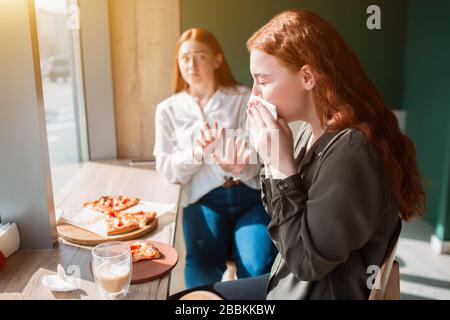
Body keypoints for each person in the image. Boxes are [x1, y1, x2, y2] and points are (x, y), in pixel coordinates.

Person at [169, 9, 425, 300]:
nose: (254, 95)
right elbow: (281, 223)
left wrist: (280, 166)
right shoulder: (304, 131)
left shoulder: (351, 151)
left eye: (263, 80)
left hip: (308, 291)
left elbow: (304, 261)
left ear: (306, 77)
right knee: (188, 299)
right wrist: (267, 159)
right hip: (287, 282)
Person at [153, 28, 277, 289]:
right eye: (185, 58)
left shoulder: (244, 98)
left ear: (217, 60)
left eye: (200, 56)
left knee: (258, 267)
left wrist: (240, 167)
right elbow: (167, 170)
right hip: (203, 200)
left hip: (250, 196)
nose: (191, 64)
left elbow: (263, 157)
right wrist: (196, 154)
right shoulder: (167, 110)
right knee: (200, 268)